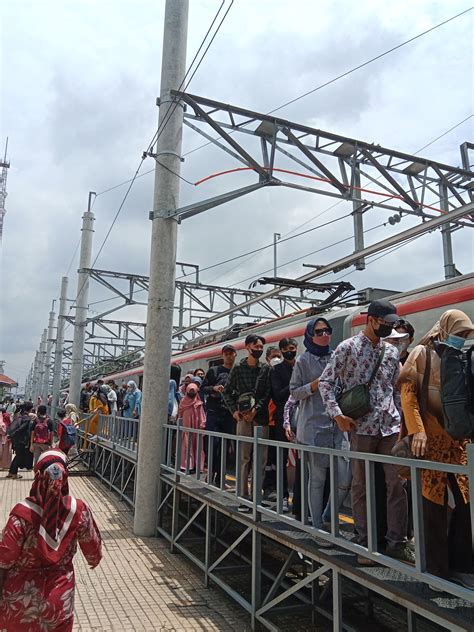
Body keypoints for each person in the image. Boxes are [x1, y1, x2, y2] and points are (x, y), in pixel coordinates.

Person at [320, 299, 413, 564]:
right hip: (360, 426)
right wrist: (337, 415)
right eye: (386, 323)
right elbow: (326, 383)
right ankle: (365, 542)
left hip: (390, 427)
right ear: (371, 320)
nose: (390, 328)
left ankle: (397, 542)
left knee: (397, 483)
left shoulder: (392, 353)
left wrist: (402, 422)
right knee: (361, 484)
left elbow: (396, 390)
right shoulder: (347, 348)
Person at [399, 309, 474, 587]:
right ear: (445, 329)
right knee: (433, 508)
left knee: (466, 506)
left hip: (457, 445)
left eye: (465, 335)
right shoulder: (422, 353)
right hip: (430, 443)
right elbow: (408, 392)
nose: (461, 339)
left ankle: (462, 565)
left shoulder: (457, 358)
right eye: (458, 333)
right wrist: (416, 430)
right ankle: (436, 570)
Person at [0, 449, 102, 631]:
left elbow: (4, 558)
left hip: (18, 605)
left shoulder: (21, 514)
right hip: (59, 602)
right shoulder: (78, 511)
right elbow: (93, 554)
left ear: (38, 476)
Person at [290, 319, 350, 543]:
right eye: (319, 331)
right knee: (317, 479)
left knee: (345, 477)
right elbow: (294, 392)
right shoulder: (302, 360)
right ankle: (317, 527)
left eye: (327, 331)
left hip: (337, 426)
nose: (325, 334)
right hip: (313, 426)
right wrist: (314, 385)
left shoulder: (337, 356)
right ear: (310, 335)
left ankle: (327, 517)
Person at [222, 334, 270, 511]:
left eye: (261, 347)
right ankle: (243, 497)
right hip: (242, 418)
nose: (259, 349)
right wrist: (234, 411)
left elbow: (267, 393)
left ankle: (257, 496)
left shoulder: (266, 369)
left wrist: (256, 409)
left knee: (261, 459)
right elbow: (226, 392)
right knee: (244, 458)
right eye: (256, 346)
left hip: (260, 417)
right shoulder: (238, 368)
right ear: (248, 347)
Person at [270, 337, 298, 513]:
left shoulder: (301, 365)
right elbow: (277, 395)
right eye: (287, 348)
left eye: (293, 347)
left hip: (301, 416)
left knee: (302, 459)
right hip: (283, 418)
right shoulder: (276, 370)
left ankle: (299, 498)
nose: (291, 351)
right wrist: (294, 385)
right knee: (281, 459)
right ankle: (282, 496)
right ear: (281, 351)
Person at [202, 344, 237, 484]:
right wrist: (214, 389)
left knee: (225, 447)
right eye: (226, 353)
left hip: (229, 414)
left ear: (235, 354)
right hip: (214, 412)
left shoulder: (237, 371)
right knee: (213, 445)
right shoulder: (214, 371)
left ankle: (220, 478)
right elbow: (203, 388)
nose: (228, 356)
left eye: (231, 353)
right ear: (223, 355)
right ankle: (209, 475)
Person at [178, 382, 206, 472]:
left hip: (197, 430)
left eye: (193, 391)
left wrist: (202, 425)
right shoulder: (183, 402)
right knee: (187, 446)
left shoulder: (199, 403)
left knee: (197, 447)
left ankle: (197, 466)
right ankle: (186, 465)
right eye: (190, 390)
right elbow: (180, 414)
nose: (192, 393)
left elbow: (202, 416)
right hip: (186, 430)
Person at [6, 402, 34, 479]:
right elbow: (21, 429)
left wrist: (12, 435)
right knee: (19, 456)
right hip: (22, 440)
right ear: (31, 409)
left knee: (17, 456)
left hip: (16, 439)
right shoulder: (27, 419)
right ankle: (14, 473)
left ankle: (11, 472)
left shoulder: (19, 417)